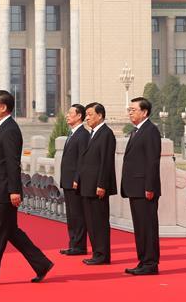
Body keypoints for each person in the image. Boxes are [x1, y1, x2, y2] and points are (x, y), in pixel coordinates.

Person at [0, 90, 53, 286]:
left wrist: (14, 190)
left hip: (3, 191)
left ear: (3, 107)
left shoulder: (10, 130)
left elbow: (12, 163)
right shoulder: (0, 128)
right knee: (11, 232)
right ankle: (41, 264)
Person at [121, 97, 162, 275]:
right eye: (129, 110)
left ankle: (150, 263)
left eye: (133, 110)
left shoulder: (150, 131)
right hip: (135, 187)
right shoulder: (136, 131)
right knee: (140, 227)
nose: (130, 113)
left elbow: (152, 161)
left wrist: (150, 187)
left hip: (145, 188)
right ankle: (143, 260)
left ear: (144, 112)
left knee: (148, 227)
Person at [77, 102, 117, 265]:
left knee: (99, 222)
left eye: (90, 114)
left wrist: (102, 184)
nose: (87, 118)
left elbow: (106, 162)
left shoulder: (106, 134)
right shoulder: (92, 134)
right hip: (87, 185)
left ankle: (102, 255)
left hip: (97, 186)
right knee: (91, 221)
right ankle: (97, 253)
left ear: (100, 115)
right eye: (86, 114)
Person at [59, 103, 90, 256]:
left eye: (70, 113)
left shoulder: (83, 134)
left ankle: (80, 246)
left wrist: (77, 178)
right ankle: (73, 244)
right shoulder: (72, 133)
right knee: (71, 215)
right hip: (67, 180)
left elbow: (82, 159)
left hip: (75, 181)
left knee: (78, 214)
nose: (67, 115)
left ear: (79, 116)